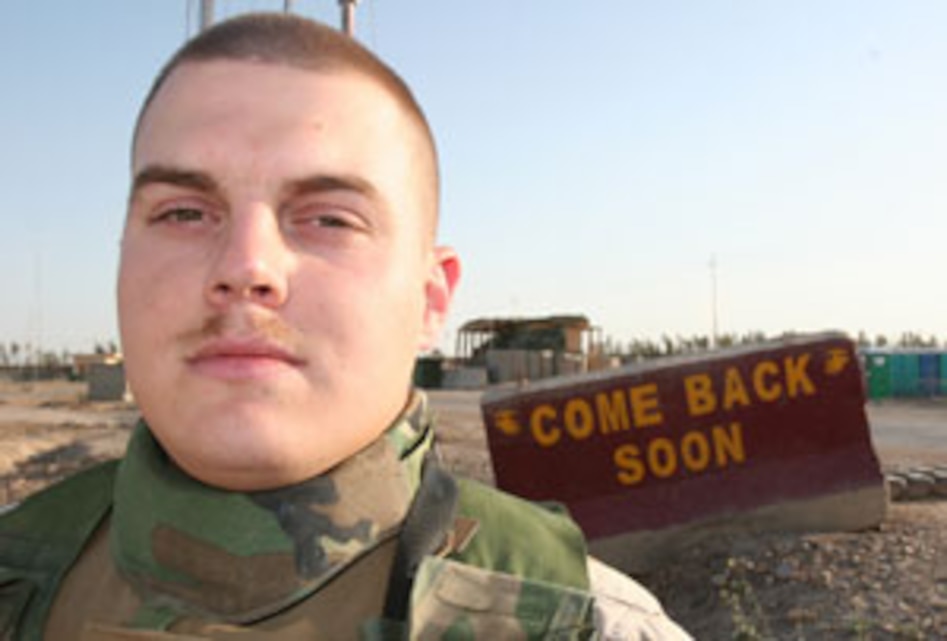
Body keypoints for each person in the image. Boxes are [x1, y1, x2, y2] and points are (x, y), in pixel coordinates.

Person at [0, 13, 690, 640]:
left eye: (329, 218)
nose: (247, 267)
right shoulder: (16, 581)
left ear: (428, 299)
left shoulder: (577, 624)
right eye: (183, 212)